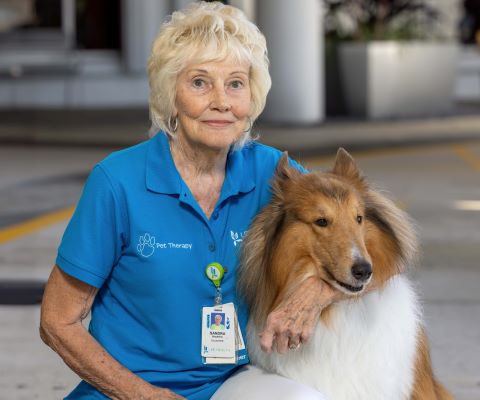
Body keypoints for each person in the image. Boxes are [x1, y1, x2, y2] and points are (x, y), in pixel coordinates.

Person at [40, 2, 339, 399]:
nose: (221, 101)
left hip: (231, 384)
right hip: (126, 390)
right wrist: (147, 396)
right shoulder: (117, 182)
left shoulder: (273, 175)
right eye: (200, 82)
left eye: (236, 83)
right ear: (171, 94)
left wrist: (317, 291)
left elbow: (368, 244)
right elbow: (57, 322)